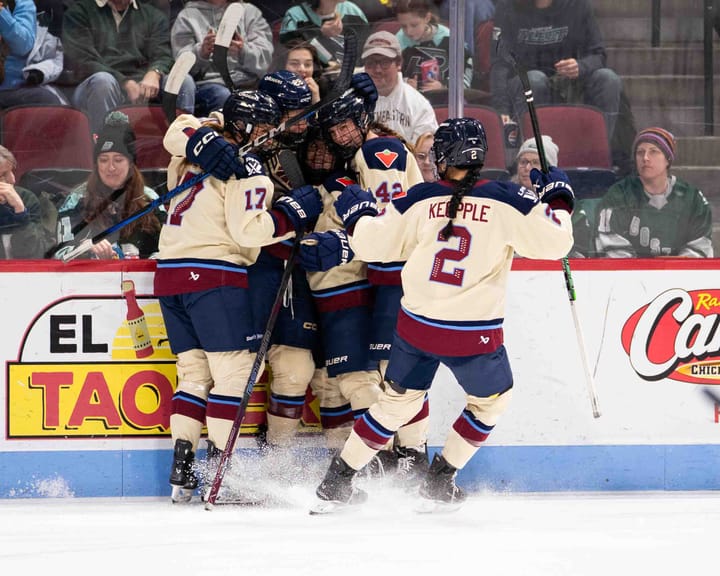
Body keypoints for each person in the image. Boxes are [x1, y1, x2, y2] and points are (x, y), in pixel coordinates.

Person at [311, 117, 575, 510]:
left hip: (416, 327)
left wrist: (357, 216)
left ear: (443, 157)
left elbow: (371, 243)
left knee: (396, 404)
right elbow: (557, 242)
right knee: (491, 402)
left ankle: (337, 480)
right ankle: (440, 479)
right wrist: (558, 199)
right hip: (472, 333)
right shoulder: (506, 199)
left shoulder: (419, 197)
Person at [157, 89, 323, 502]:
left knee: (193, 374)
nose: (268, 137)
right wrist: (289, 215)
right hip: (215, 276)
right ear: (246, 126)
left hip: (170, 275)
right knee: (232, 375)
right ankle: (219, 475)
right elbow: (249, 232)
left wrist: (201, 138)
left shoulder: (186, 153)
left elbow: (178, 130)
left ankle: (181, 475)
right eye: (264, 129)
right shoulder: (248, 166)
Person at [299, 89, 430, 479]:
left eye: (344, 127)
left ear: (362, 121)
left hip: (395, 275)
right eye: (332, 131)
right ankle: (400, 455)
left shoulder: (380, 152)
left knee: (395, 375)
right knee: (370, 377)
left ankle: (408, 453)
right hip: (377, 276)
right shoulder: (351, 165)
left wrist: (342, 246)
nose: (339, 137)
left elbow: (388, 221)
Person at [490, 0, 622, 144]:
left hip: (568, 81)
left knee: (608, 79)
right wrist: (501, 109)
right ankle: (533, 154)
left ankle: (599, 151)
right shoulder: (507, 7)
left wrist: (581, 66)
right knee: (534, 80)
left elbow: (599, 54)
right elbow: (500, 64)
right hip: (525, 84)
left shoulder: (578, 5)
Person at [62, 0, 195, 134]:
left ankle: (183, 144)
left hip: (144, 85)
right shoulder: (79, 13)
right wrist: (124, 82)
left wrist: (155, 72)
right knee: (103, 81)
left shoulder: (152, 15)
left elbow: (163, 54)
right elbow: (83, 60)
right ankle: (105, 148)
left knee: (184, 81)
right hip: (95, 85)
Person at [52, 111, 165, 260]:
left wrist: (148, 264)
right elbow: (59, 254)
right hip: (90, 280)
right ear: (96, 164)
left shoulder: (150, 200)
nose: (110, 167)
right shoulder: (76, 200)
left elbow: (170, 247)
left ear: (131, 164)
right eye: (104, 160)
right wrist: (85, 251)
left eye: (118, 160)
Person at [596, 127, 713, 258]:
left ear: (668, 159)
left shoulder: (692, 198)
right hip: (630, 277)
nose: (645, 158)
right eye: (640, 152)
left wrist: (672, 267)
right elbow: (614, 253)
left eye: (654, 151)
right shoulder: (619, 194)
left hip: (679, 277)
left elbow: (699, 249)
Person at [171, 0, 274, 116]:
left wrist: (243, 50)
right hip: (208, 85)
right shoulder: (187, 16)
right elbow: (181, 62)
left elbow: (266, 57)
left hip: (248, 84)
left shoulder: (250, 12)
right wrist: (201, 51)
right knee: (223, 96)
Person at [361, 30, 438, 145]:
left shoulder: (419, 106)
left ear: (399, 63)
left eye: (384, 62)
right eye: (371, 63)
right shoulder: (351, 101)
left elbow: (423, 153)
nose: (377, 70)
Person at [394, 0, 473, 92]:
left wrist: (444, 87)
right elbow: (387, 76)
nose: (409, 31)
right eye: (404, 26)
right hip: (410, 100)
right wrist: (404, 83)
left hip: (444, 101)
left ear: (427, 18)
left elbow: (465, 76)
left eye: (414, 25)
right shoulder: (397, 41)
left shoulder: (450, 39)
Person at [279, 0, 369, 71]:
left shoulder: (353, 11)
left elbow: (368, 49)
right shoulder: (294, 16)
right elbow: (287, 56)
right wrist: (319, 34)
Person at [0, 145, 50, 259]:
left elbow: (36, 255)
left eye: (12, 171)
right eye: (2, 175)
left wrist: (20, 212)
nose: (12, 180)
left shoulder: (26, 199)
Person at [270, 38, 327, 103]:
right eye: (294, 63)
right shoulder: (270, 89)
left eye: (307, 64)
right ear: (282, 66)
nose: (302, 69)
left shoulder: (321, 88)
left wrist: (316, 100)